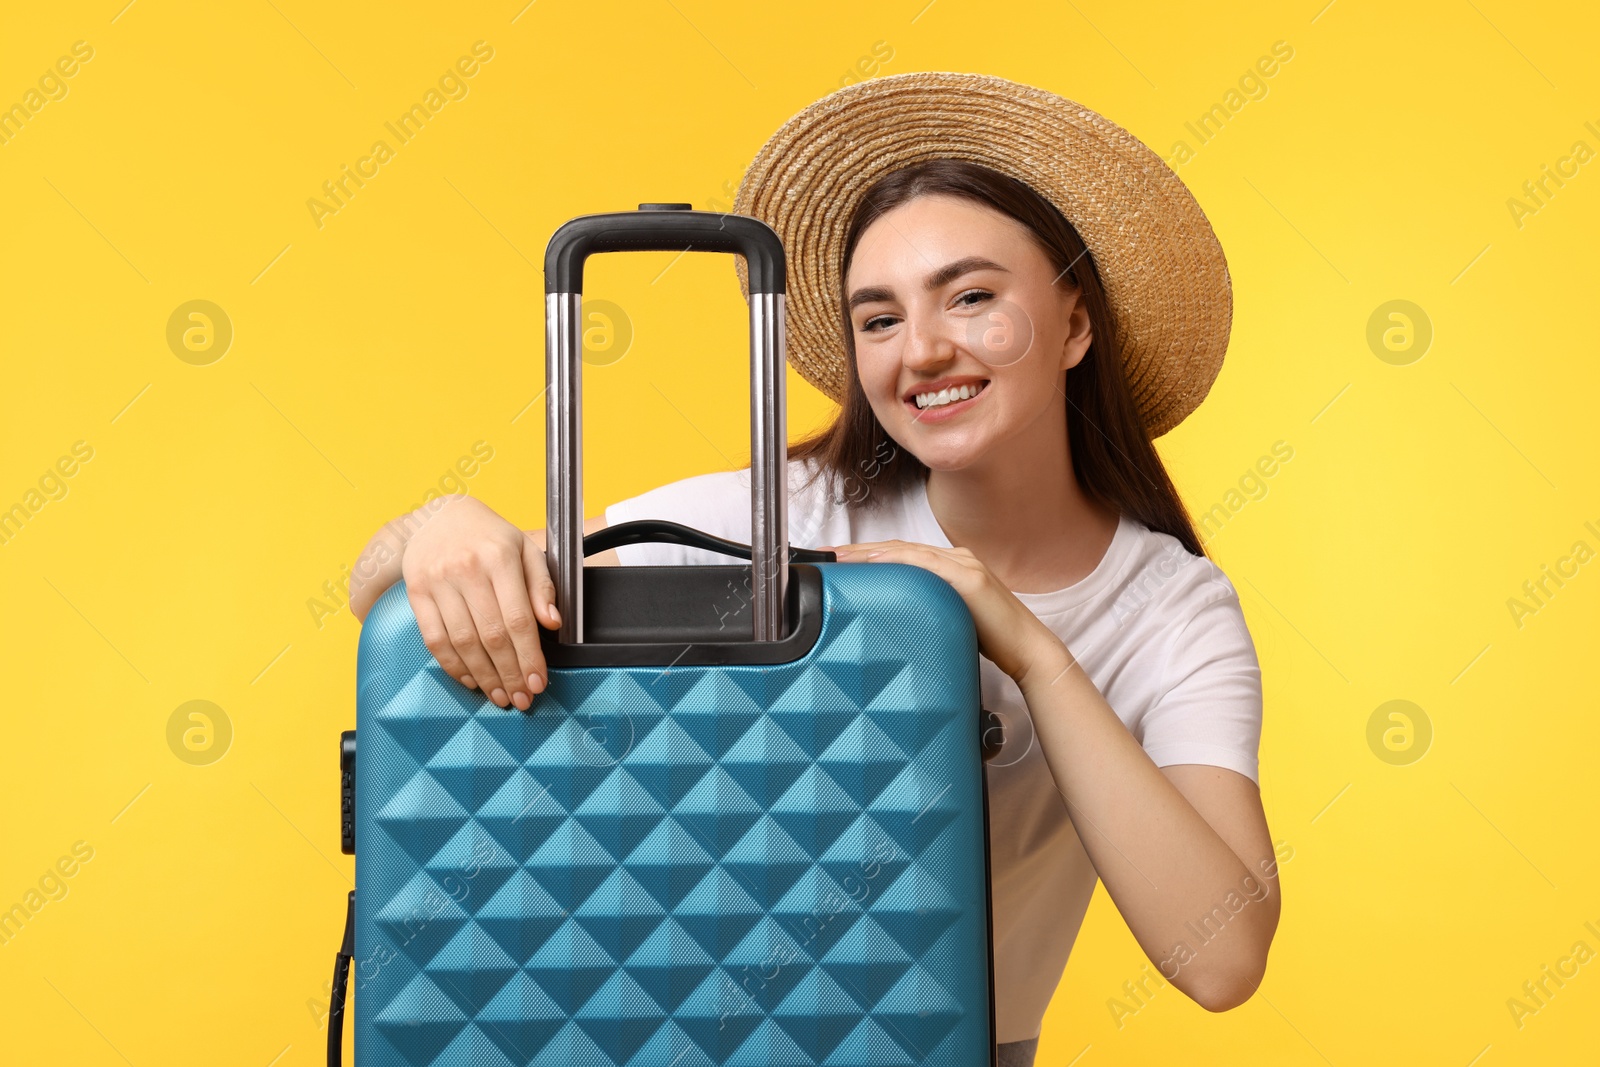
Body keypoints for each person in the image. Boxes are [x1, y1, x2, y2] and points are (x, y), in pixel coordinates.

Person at [350, 72, 1279, 1067]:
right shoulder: (777, 513)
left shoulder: (1168, 607)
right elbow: (386, 589)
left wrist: (1030, 651)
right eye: (877, 319)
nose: (920, 349)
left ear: (1075, 326)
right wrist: (444, 525)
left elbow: (1218, 956)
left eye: (971, 297)